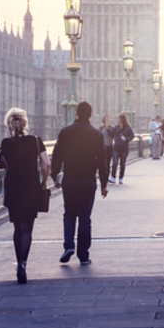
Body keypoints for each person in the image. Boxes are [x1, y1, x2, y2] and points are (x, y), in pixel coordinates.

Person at [0, 108, 51, 284]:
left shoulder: (5, 143)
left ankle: (18, 261)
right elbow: (46, 164)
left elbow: (4, 164)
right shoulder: (35, 141)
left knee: (17, 228)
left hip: (13, 188)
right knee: (27, 229)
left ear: (9, 125)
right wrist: (43, 182)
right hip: (31, 188)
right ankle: (23, 264)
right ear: (25, 123)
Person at [51, 101, 109, 266]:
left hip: (70, 180)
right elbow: (102, 161)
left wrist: (56, 176)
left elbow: (57, 156)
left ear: (76, 113)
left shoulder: (66, 132)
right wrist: (104, 184)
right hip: (88, 180)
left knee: (69, 214)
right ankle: (83, 255)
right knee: (84, 217)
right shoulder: (96, 135)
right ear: (90, 115)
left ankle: (69, 245)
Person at [111, 114, 135, 183]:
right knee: (114, 162)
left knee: (122, 163)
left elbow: (132, 136)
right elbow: (111, 134)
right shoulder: (116, 127)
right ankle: (113, 177)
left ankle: (121, 178)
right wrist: (107, 127)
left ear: (122, 120)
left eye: (118, 119)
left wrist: (126, 139)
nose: (117, 120)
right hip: (116, 147)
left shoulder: (128, 128)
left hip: (124, 148)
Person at [99, 114, 117, 183]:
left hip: (109, 147)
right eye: (107, 119)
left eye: (109, 119)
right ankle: (103, 176)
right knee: (103, 163)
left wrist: (107, 128)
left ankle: (106, 177)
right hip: (102, 147)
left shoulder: (111, 128)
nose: (109, 120)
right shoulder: (100, 128)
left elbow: (113, 136)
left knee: (108, 163)